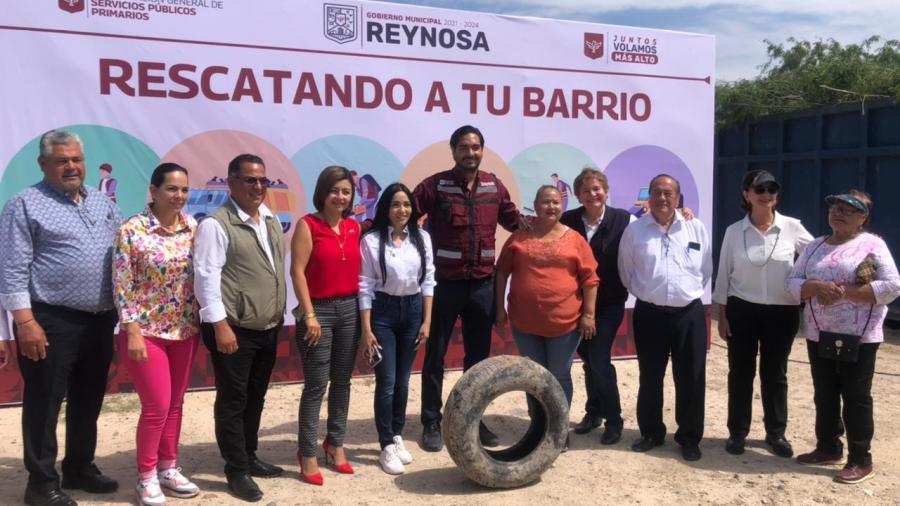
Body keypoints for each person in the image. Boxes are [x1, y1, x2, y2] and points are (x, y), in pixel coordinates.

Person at [0, 129, 123, 506]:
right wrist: (25, 322)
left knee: (89, 398)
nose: (71, 166)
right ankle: (40, 484)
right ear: (43, 164)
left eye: (76, 160)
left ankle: (80, 467)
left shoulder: (103, 203)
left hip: (100, 319)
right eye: (61, 160)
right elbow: (12, 268)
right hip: (49, 321)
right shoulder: (25, 204)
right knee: (45, 401)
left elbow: (124, 254)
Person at [416, 125, 523, 452]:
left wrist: (559, 228)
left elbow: (517, 223)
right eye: (464, 147)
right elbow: (402, 216)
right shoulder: (435, 185)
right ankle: (431, 420)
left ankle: (471, 417)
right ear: (453, 151)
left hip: (482, 286)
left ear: (482, 150)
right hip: (444, 286)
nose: (470, 152)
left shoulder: (495, 186)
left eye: (476, 147)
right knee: (435, 356)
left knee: (478, 360)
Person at [787, 191, 900, 484]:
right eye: (836, 208)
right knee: (824, 393)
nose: (840, 213)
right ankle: (828, 447)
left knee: (856, 396)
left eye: (850, 210)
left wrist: (841, 292)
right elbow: (791, 283)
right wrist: (813, 285)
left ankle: (861, 459)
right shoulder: (814, 247)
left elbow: (891, 287)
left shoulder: (872, 245)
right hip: (818, 333)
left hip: (859, 336)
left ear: (863, 218)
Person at [194, 154, 287, 502]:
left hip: (266, 326)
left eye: (263, 180)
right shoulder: (215, 225)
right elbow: (206, 278)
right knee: (233, 401)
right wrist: (219, 325)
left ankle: (249, 455)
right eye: (250, 180)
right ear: (231, 183)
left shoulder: (271, 219)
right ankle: (236, 471)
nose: (258, 186)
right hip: (233, 328)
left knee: (255, 397)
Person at [113, 163, 201, 505]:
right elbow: (123, 285)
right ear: (153, 191)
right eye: (171, 189)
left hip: (184, 330)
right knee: (157, 406)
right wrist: (132, 330)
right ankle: (146, 476)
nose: (178, 196)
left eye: (183, 190)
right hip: (145, 332)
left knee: (175, 405)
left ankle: (169, 467)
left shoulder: (192, 227)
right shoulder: (132, 230)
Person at [713, 170, 813, 458]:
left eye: (772, 189)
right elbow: (724, 274)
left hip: (782, 312)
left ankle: (775, 433)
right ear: (747, 194)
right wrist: (723, 313)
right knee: (740, 374)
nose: (767, 194)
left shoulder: (792, 228)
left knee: (775, 375)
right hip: (742, 309)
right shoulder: (734, 231)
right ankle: (737, 433)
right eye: (760, 189)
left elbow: (819, 254)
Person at [618, 174, 712, 461]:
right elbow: (626, 271)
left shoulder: (695, 227)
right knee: (651, 376)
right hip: (650, 314)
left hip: (689, 315)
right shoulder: (635, 231)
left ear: (677, 197)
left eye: (668, 193)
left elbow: (706, 268)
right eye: (657, 192)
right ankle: (651, 432)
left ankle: (689, 437)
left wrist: (684, 293)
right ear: (649, 197)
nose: (662, 198)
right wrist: (649, 294)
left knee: (692, 379)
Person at [495, 186, 599, 427]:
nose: (550, 207)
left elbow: (590, 279)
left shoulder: (575, 239)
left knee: (559, 374)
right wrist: (499, 308)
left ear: (561, 206)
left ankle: (558, 427)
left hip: (565, 325)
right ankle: (538, 427)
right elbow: (501, 272)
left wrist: (589, 315)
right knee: (533, 376)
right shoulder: (520, 236)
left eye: (555, 202)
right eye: (545, 202)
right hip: (525, 323)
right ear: (535, 204)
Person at [291, 166, 361, 485]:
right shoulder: (309, 225)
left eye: (346, 191)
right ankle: (307, 452)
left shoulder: (353, 227)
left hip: (349, 309)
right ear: (323, 192)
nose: (340, 197)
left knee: (342, 382)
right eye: (335, 190)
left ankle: (335, 444)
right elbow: (297, 272)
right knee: (317, 385)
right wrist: (309, 315)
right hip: (317, 311)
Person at [359, 183, 436, 475]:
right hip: (383, 314)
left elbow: (428, 280)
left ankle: (397, 435)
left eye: (406, 204)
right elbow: (364, 286)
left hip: (414, 312)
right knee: (387, 381)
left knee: (404, 382)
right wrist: (366, 330)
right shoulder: (372, 241)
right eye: (395, 205)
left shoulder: (423, 239)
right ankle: (385, 445)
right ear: (385, 209)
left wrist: (427, 321)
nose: (401, 210)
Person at [560, 168, 634, 444]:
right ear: (578, 195)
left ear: (606, 190)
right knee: (589, 360)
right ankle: (594, 413)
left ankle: (614, 420)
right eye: (587, 190)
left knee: (600, 359)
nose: (593, 194)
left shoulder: (624, 219)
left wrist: (684, 215)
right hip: (575, 303)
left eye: (597, 189)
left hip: (609, 304)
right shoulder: (567, 220)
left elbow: (655, 226)